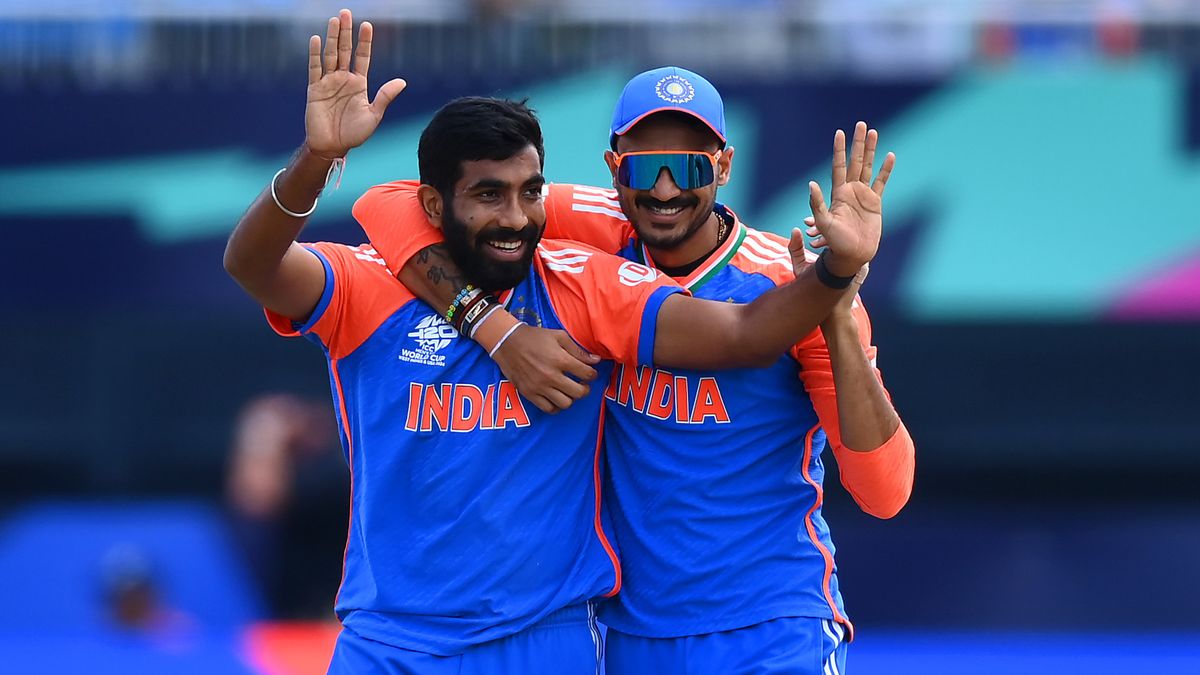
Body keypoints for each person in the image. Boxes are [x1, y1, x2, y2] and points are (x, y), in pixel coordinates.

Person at [222, 10, 882, 674]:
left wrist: (835, 274)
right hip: (391, 641)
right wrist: (317, 162)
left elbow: (742, 334)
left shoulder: (583, 284)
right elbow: (256, 264)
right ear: (432, 204)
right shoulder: (370, 284)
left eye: (530, 192)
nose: (514, 216)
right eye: (487, 194)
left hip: (548, 641)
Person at [363, 66, 915, 674]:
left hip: (770, 624)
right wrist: (494, 329)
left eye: (689, 168)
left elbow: (884, 491)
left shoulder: (789, 281)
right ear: (612, 167)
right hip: (628, 634)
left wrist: (834, 307)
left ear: (725, 167)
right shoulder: (594, 236)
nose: (664, 190)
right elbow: (386, 200)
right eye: (643, 168)